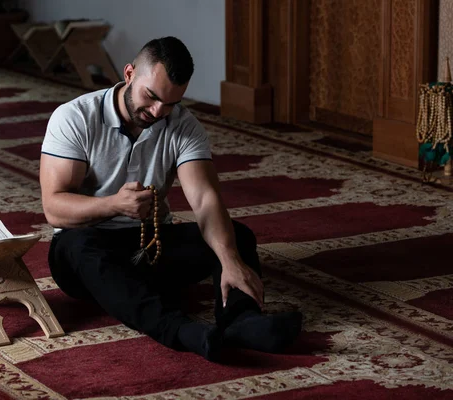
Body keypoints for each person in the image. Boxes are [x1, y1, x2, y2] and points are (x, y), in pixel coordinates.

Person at [40, 36, 302, 362]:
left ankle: (242, 320)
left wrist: (230, 259)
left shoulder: (182, 126)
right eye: (151, 97)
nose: (157, 111)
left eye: (170, 104)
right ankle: (181, 331)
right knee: (81, 247)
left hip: (150, 247)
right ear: (129, 73)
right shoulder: (75, 117)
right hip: (84, 257)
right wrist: (113, 205)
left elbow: (205, 199)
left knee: (237, 238)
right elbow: (54, 208)